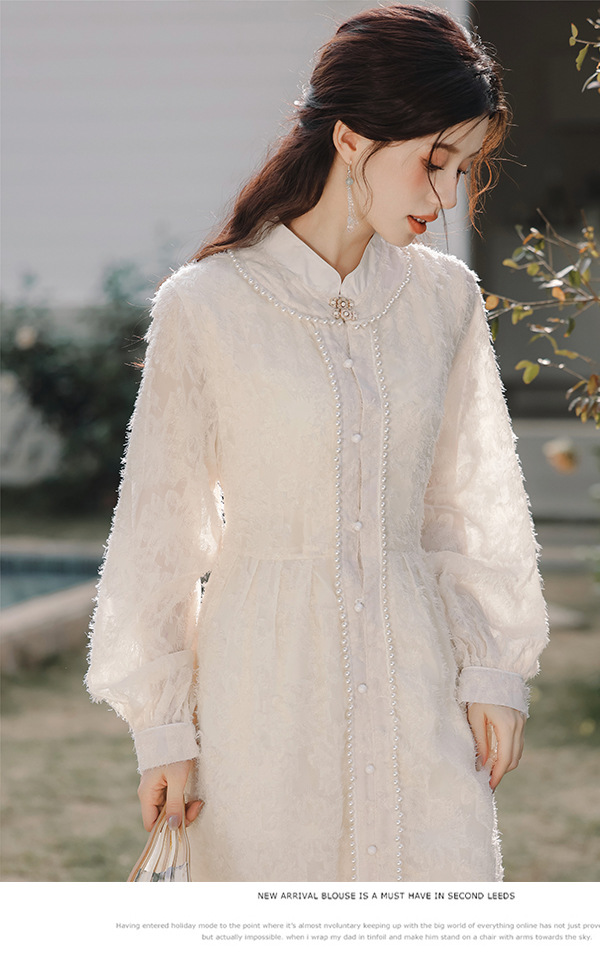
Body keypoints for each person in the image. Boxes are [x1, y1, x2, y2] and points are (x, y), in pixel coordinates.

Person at [86, 2, 548, 883]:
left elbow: (466, 500)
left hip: (419, 686)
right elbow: (160, 529)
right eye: (434, 162)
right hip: (261, 701)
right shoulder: (206, 306)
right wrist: (165, 730)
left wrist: (493, 670)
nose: (447, 196)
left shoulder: (446, 301)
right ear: (350, 139)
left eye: (463, 169)